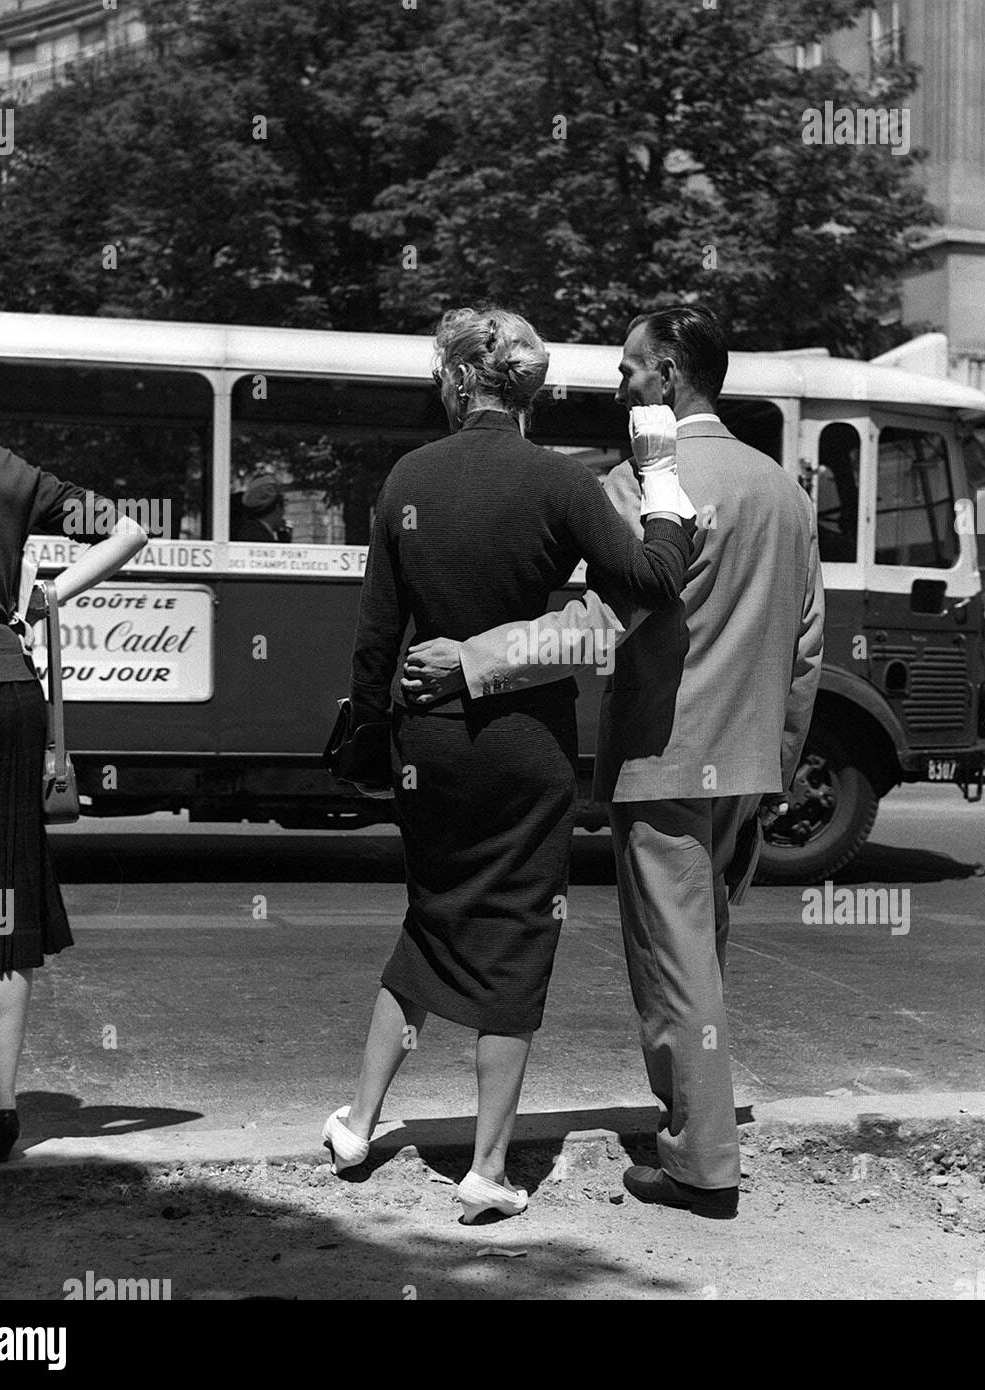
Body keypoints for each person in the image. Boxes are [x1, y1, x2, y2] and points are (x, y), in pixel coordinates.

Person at [402, 304, 824, 1219]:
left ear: (668, 375)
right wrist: (778, 764)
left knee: (673, 967)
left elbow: (596, 626)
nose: (618, 384)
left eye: (630, 369)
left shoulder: (649, 482)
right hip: (744, 764)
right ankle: (694, 1124)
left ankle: (701, 1164)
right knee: (700, 954)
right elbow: (803, 650)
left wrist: (474, 658)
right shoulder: (783, 493)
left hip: (665, 758)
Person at [320, 306, 695, 1224]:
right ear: (527, 387)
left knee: (432, 915)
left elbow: (376, 638)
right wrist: (661, 485)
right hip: (525, 740)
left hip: (430, 737)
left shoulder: (407, 477)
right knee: (519, 930)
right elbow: (649, 584)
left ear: (455, 381)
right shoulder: (558, 484)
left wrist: (373, 739)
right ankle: (487, 1167)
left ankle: (358, 1125)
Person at [0, 308, 148, 1168]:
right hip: (9, 686)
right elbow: (131, 528)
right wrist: (51, 597)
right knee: (1, 898)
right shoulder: (8, 468)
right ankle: (3, 1105)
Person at [233, 474, 291, 542]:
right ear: (277, 507)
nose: (283, 513)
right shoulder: (259, 537)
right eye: (284, 505)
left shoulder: (251, 529)